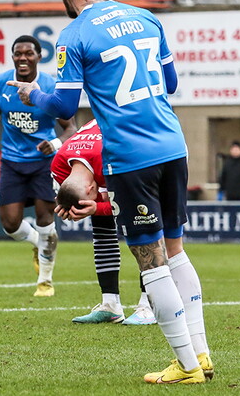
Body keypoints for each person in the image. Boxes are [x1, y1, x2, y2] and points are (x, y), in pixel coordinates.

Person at [7, 0, 212, 384]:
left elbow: (63, 104)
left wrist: (31, 97)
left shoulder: (73, 35)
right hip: (174, 145)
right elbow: (171, 84)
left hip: (131, 156)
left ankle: (187, 366)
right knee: (176, 251)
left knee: (152, 263)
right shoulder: (146, 18)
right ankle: (202, 353)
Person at [0, 35, 77, 297]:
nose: (23, 58)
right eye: (18, 53)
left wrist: (54, 143)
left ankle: (45, 281)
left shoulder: (52, 86)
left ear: (40, 57)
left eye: (29, 53)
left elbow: (71, 128)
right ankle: (37, 244)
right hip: (12, 162)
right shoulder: (0, 83)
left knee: (44, 219)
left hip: (43, 164)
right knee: (9, 224)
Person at [51, 119, 156, 326]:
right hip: (115, 156)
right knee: (101, 226)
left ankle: (149, 305)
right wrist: (72, 207)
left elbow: (132, 202)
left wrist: (98, 206)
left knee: (144, 230)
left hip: (153, 156)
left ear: (92, 189)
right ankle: (111, 306)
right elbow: (70, 193)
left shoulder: (112, 156)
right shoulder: (58, 165)